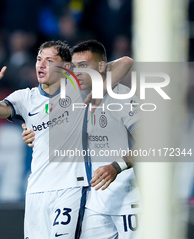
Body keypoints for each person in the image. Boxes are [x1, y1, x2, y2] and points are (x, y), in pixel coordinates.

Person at [0, 40, 132, 238]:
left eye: (49, 60)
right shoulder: (26, 98)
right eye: (39, 59)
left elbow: (126, 62)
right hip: (36, 190)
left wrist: (101, 88)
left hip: (71, 189)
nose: (41, 65)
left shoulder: (79, 88)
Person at [23, 40, 140, 238]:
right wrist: (30, 129)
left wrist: (117, 166)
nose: (77, 72)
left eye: (84, 66)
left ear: (102, 67)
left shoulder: (122, 97)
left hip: (127, 199)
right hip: (92, 203)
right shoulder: (73, 98)